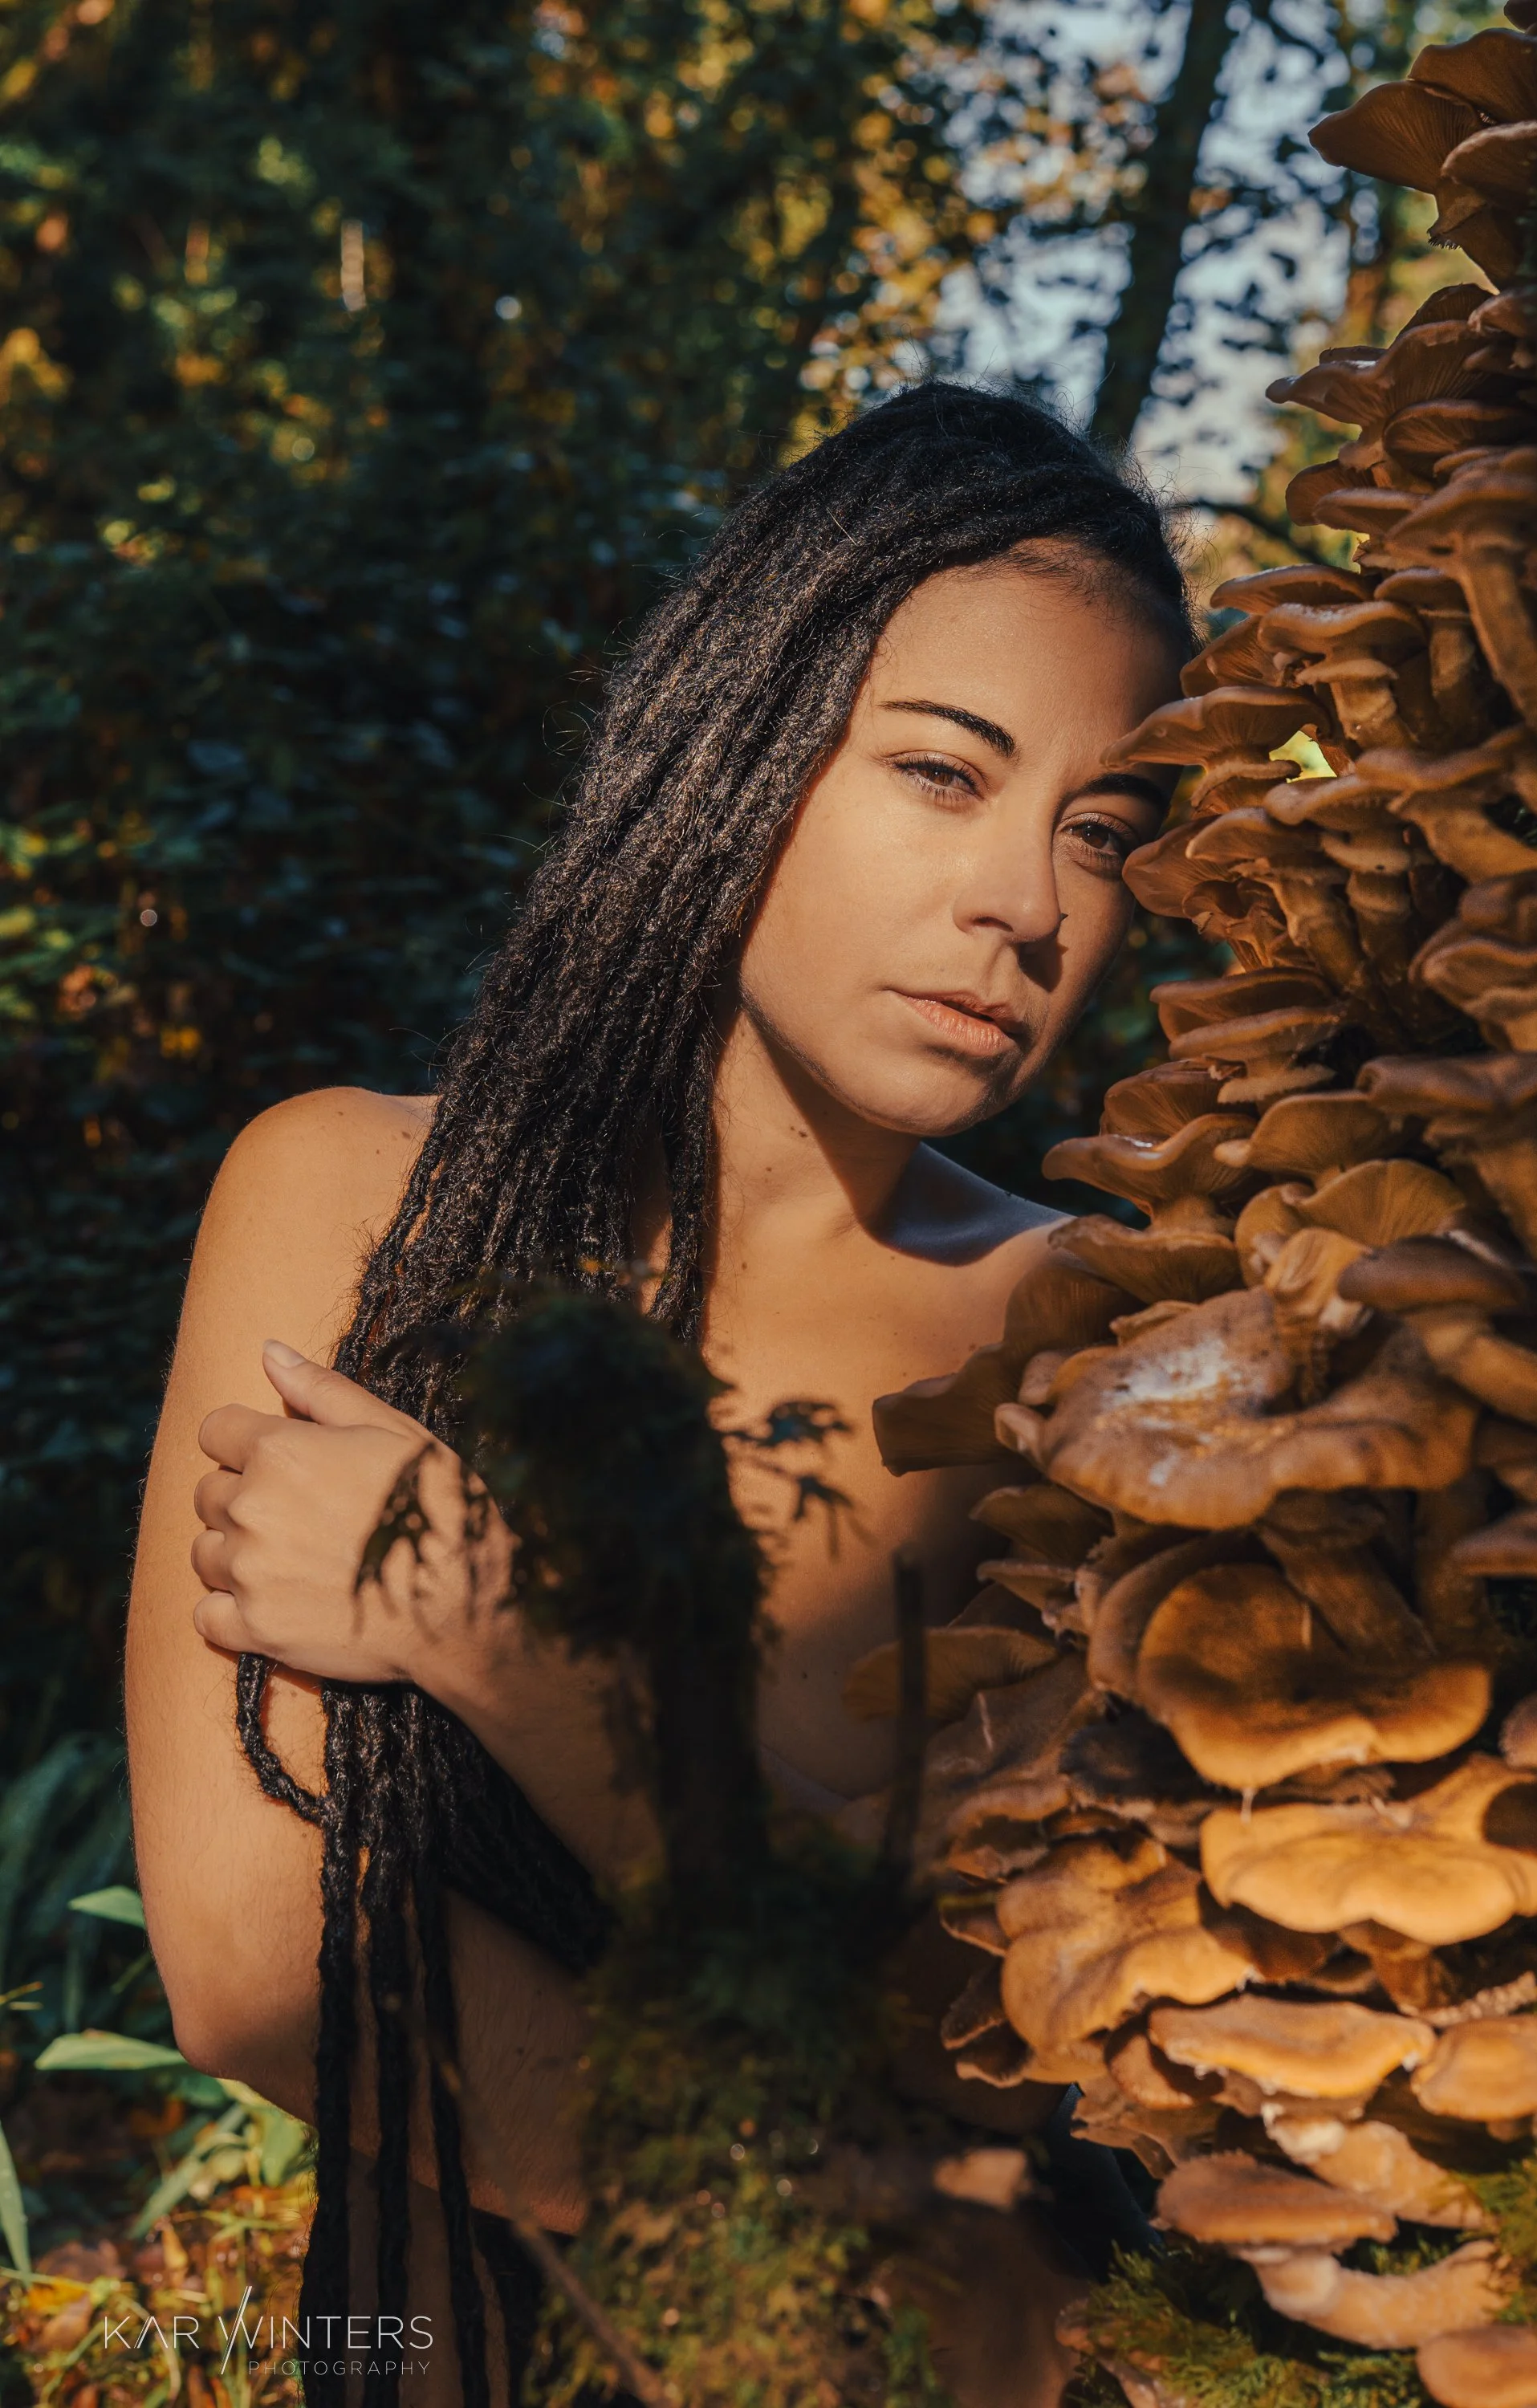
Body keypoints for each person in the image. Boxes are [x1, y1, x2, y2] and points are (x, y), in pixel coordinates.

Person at [125, 380, 1189, 2406]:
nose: (1031, 909)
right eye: (945, 774)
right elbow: (259, 1972)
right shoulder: (353, 1202)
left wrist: (513, 1642)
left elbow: (969, 2034)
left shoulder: (1091, 1339)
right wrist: (852, 2213)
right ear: (743, 736)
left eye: (1101, 832)